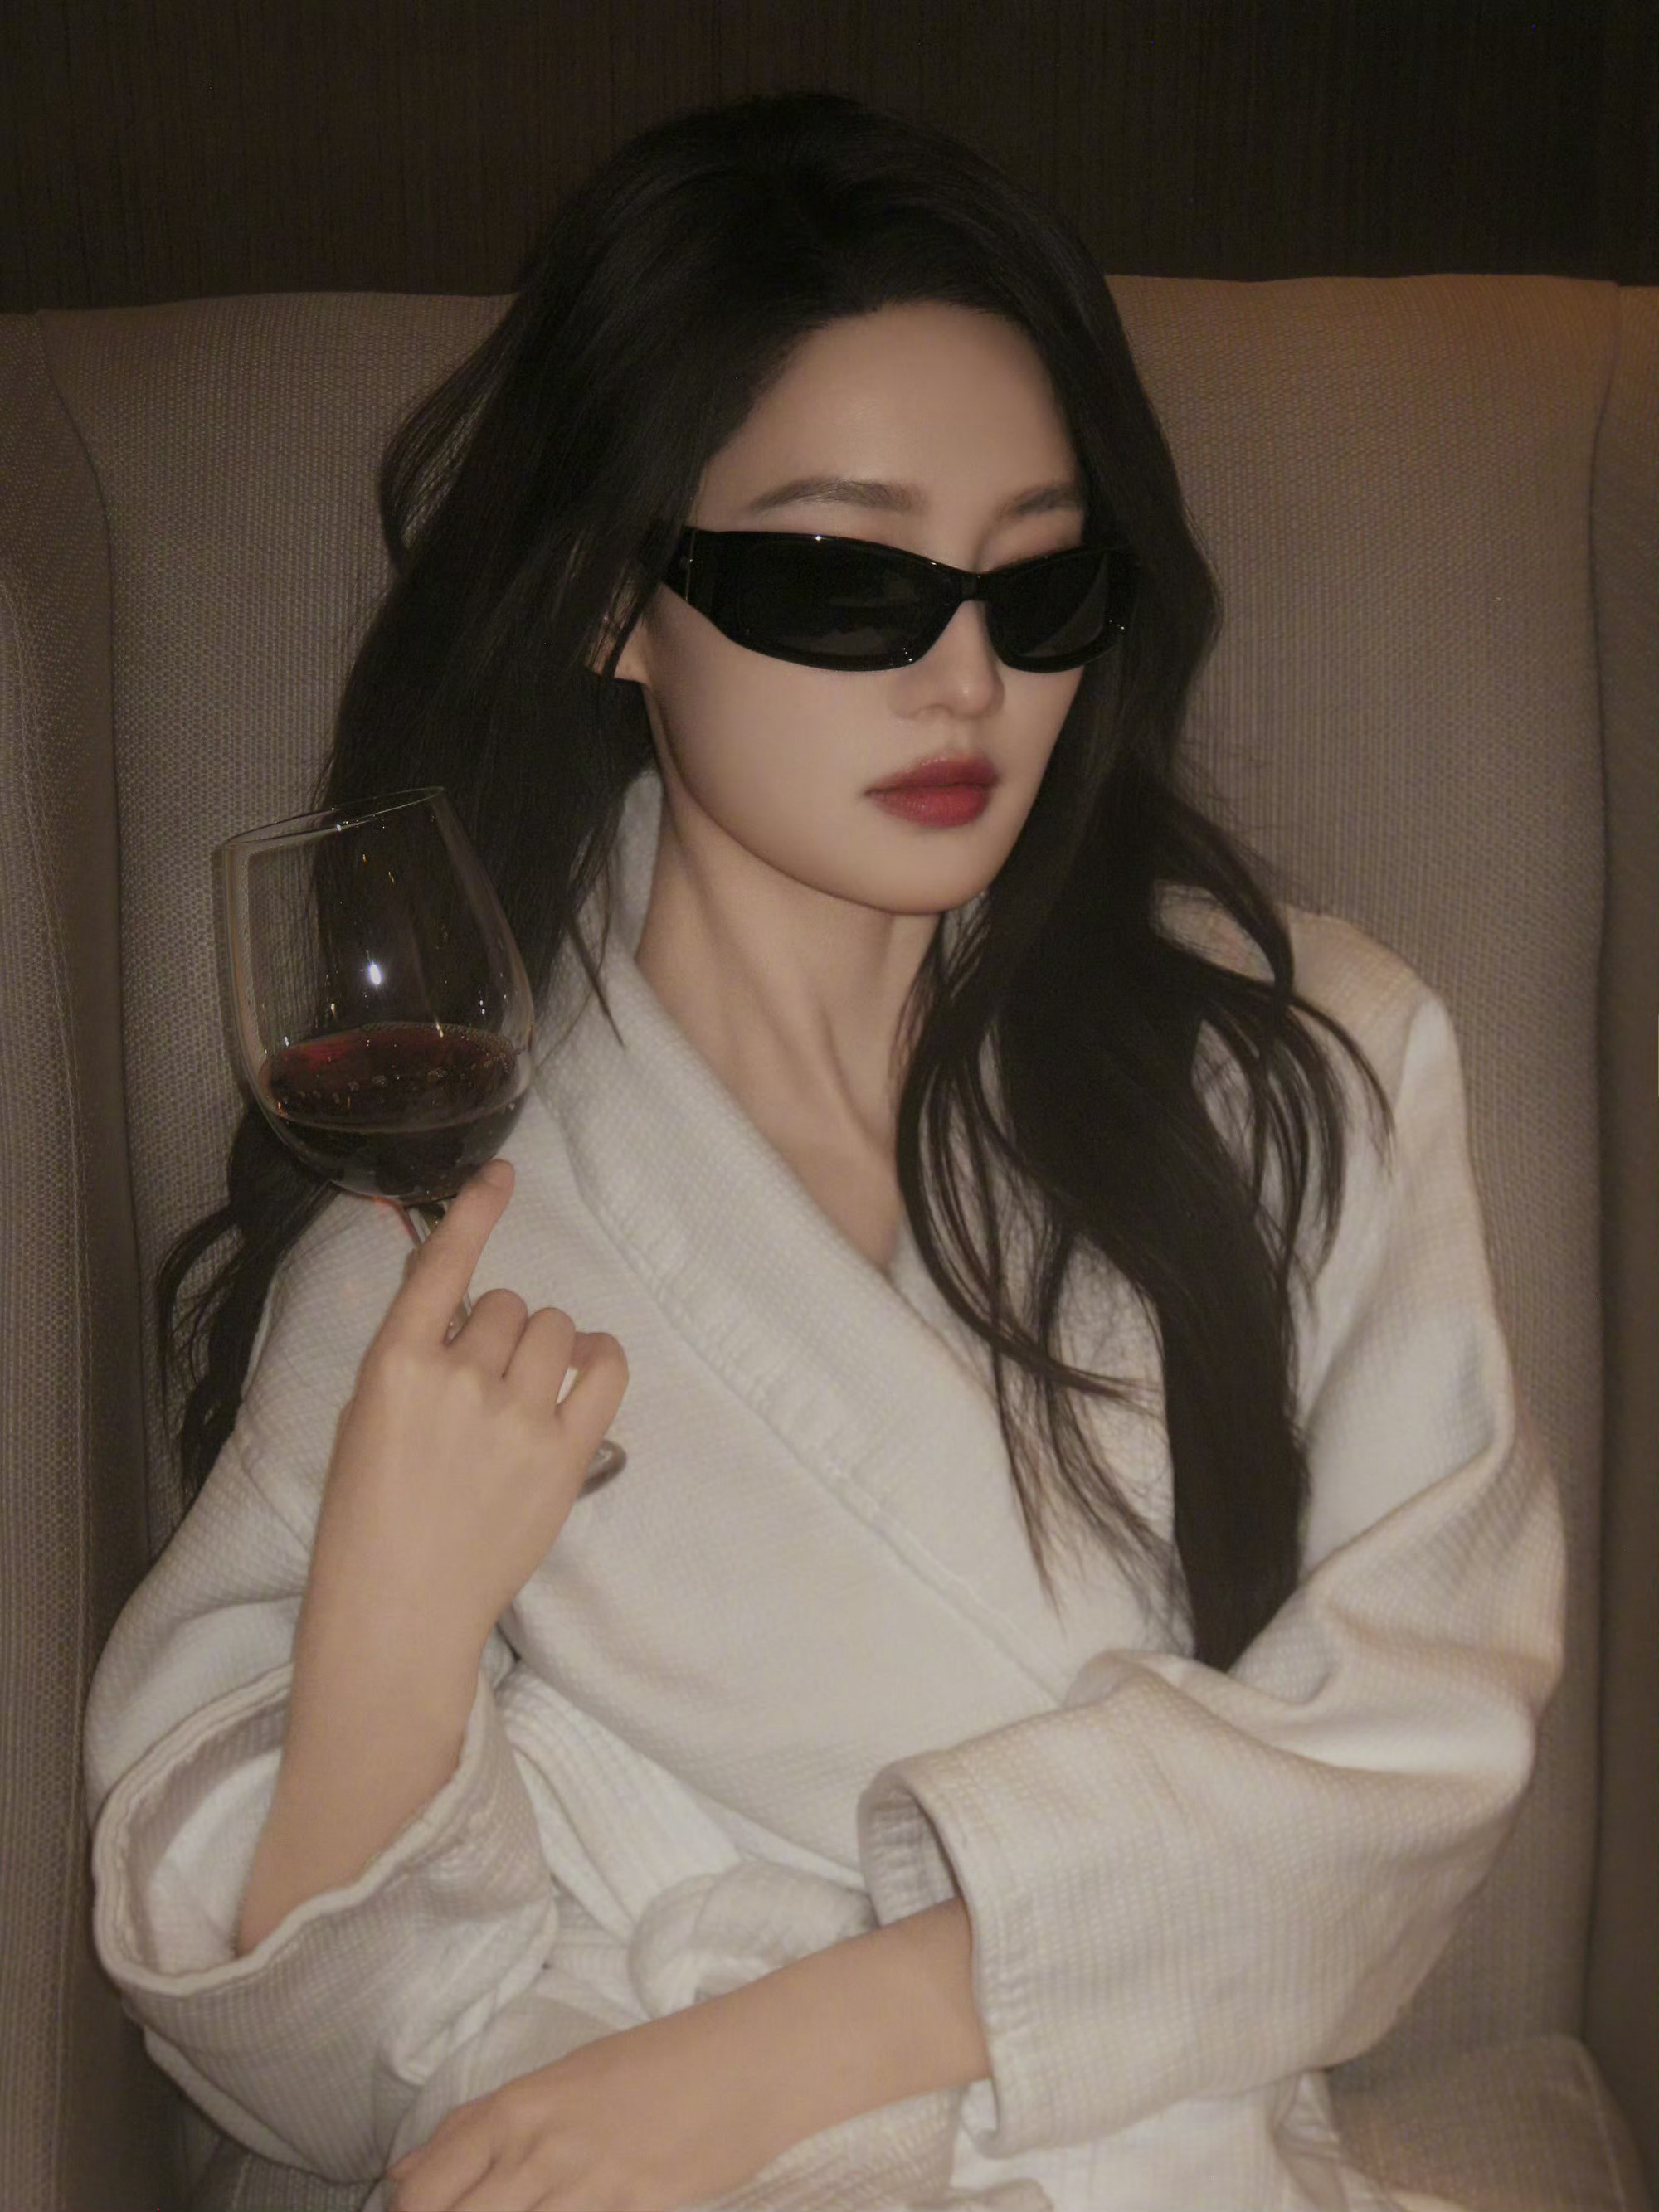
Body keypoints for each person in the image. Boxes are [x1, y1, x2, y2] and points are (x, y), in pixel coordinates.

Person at [83, 90, 1564, 2212]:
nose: (965, 676)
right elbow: (313, 2077)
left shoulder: (1303, 1076)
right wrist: (389, 1639)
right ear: (615, 596)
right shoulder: (453, 1211)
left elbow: (1417, 1755)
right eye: (845, 581)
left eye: (1038, 583)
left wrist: (771, 2056)